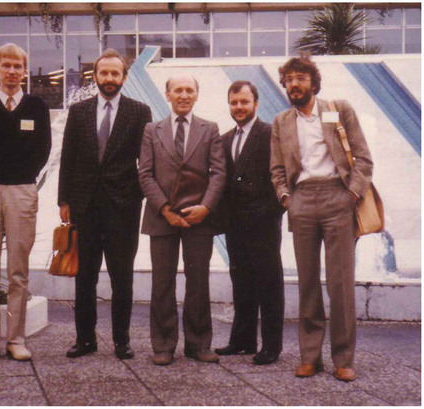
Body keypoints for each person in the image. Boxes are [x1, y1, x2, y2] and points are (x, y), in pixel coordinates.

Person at [270, 54, 373, 382]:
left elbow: (363, 158)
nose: (295, 84)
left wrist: (352, 194)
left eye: (301, 78)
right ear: (284, 85)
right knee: (308, 283)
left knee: (341, 283)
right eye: (289, 79)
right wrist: (286, 197)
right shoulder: (281, 121)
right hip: (301, 201)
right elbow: (276, 169)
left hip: (337, 198)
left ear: (313, 83)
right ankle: (309, 357)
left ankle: (343, 358)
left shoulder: (337, 109)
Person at [58, 49, 152, 360]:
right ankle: (85, 340)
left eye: (115, 73)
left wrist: (137, 195)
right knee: (85, 276)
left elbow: (146, 160)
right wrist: (64, 200)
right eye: (104, 73)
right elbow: (67, 157)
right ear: (95, 76)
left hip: (122, 206)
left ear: (124, 78)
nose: (109, 79)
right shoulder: (79, 111)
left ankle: (121, 341)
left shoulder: (139, 112)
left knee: (121, 276)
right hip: (84, 205)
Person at [0, 43, 51, 364]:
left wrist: (21, 176)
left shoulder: (36, 107)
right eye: (7, 66)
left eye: (18, 66)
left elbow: (43, 150)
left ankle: (16, 339)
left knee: (18, 271)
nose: (13, 72)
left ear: (25, 71)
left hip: (22, 192)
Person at [139, 73, 226, 366]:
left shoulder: (210, 129)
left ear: (197, 95)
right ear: (168, 95)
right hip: (161, 217)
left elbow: (218, 173)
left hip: (198, 218)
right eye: (178, 90)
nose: (184, 95)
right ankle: (163, 345)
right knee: (162, 283)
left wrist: (206, 207)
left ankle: (199, 344)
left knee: (198, 281)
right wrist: (164, 209)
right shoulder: (152, 130)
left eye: (189, 90)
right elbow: (145, 174)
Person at [215, 81, 284, 365]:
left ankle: (271, 346)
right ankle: (242, 341)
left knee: (269, 285)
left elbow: (280, 175)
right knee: (240, 282)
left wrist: (271, 212)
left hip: (264, 223)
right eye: (234, 103)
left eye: (244, 102)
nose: (239, 107)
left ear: (256, 103)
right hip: (235, 224)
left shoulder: (270, 134)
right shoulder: (225, 138)